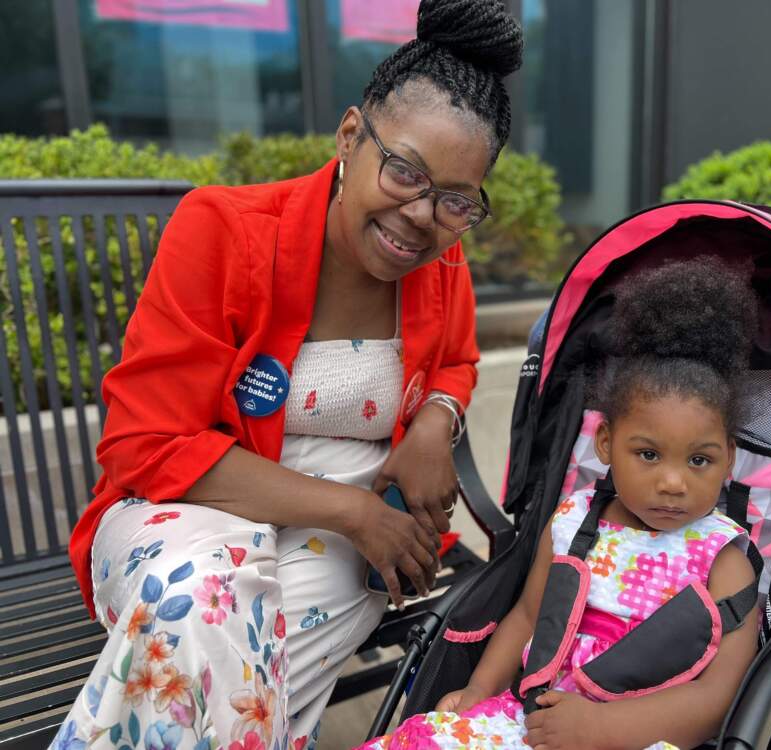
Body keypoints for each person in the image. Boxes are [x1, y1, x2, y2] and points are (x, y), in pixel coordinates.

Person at [52, 2, 523, 748]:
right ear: (349, 137)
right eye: (405, 171)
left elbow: (458, 361)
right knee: (198, 598)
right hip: (188, 505)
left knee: (234, 666)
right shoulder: (224, 229)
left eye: (455, 200)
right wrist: (355, 513)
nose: (421, 215)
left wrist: (437, 420)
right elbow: (145, 446)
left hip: (337, 544)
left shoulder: (442, 261)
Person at [359, 257, 761, 750]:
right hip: (529, 719)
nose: (674, 482)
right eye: (648, 454)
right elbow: (528, 616)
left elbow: (716, 698)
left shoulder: (725, 562)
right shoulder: (574, 521)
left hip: (637, 737)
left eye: (700, 460)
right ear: (606, 444)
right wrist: (478, 693)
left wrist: (601, 729)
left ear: (729, 459)